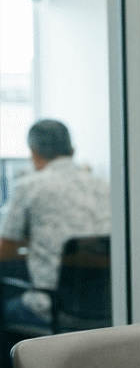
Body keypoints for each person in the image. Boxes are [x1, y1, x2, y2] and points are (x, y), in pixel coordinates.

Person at [0, 119, 111, 330]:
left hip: (53, 306)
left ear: (33, 153)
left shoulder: (29, 186)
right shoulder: (104, 185)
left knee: (9, 300)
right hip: (106, 303)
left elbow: (5, 250)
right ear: (72, 150)